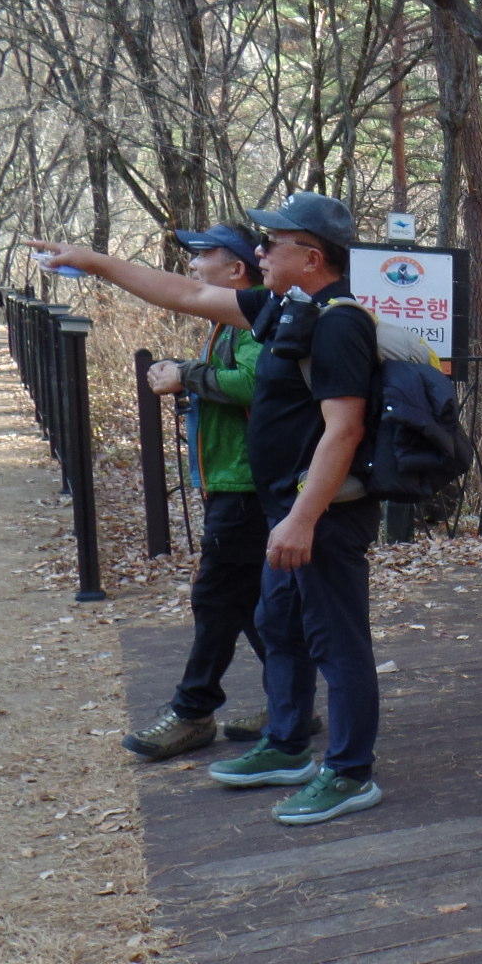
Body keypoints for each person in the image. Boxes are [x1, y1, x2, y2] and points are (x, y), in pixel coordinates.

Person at [29, 192, 385, 826]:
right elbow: (187, 293)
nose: (260, 250)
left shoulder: (339, 323)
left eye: (272, 242)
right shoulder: (285, 306)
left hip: (321, 513)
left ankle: (351, 773)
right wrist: (94, 261)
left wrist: (303, 517)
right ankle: (286, 746)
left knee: (337, 640)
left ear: (311, 256)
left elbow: (344, 430)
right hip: (284, 508)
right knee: (280, 626)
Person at [125, 225, 314, 759]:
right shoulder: (229, 323)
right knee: (250, 601)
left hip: (246, 485)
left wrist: (187, 375)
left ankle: (193, 711)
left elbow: (257, 384)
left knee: (216, 597)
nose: (192, 264)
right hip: (235, 482)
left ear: (236, 270)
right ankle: (291, 704)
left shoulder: (253, 322)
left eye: (203, 254)